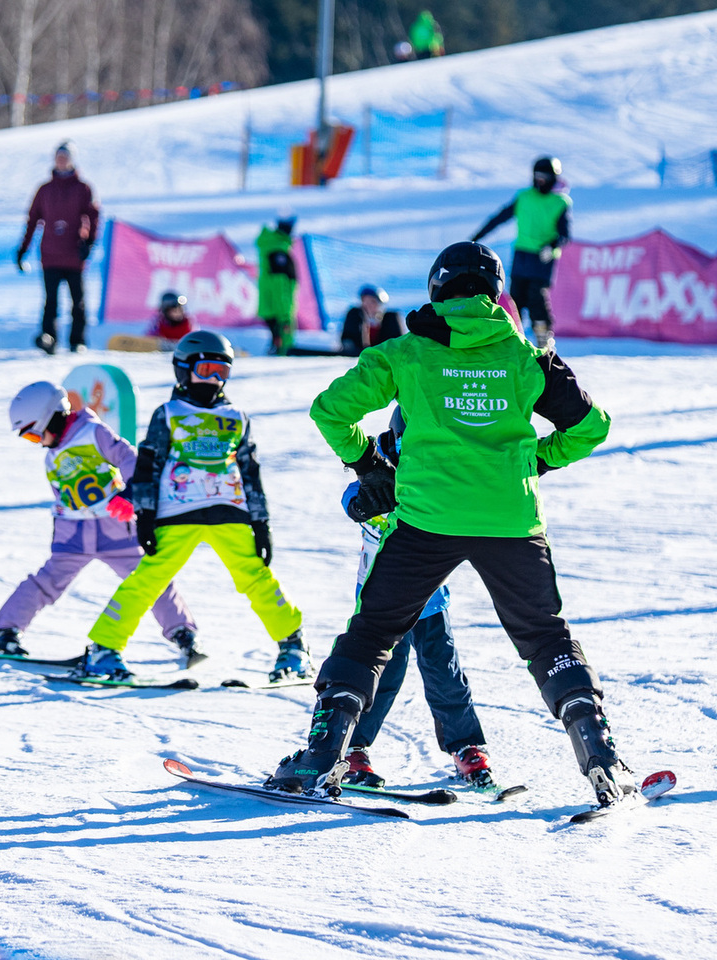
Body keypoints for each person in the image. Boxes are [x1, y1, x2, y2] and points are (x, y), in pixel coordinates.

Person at [267, 241, 635, 813]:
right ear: (497, 292)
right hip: (510, 523)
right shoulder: (527, 358)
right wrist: (531, 461)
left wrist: (371, 469)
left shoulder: (406, 353)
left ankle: (321, 757)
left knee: (372, 635)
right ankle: (602, 759)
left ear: (438, 289)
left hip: (425, 520)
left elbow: (329, 411)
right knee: (546, 639)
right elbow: (592, 426)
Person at [71, 331, 311, 682]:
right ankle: (104, 648)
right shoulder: (168, 413)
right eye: (207, 369)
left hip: (229, 511)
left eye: (223, 372)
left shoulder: (237, 417)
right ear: (183, 370)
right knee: (148, 580)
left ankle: (293, 647)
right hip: (175, 513)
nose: (214, 379)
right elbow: (149, 465)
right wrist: (145, 515)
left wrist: (261, 523)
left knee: (255, 577)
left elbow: (250, 472)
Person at [0, 382, 200, 665]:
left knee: (150, 579)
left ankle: (183, 634)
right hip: (73, 535)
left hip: (115, 528)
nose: (37, 442)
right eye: (29, 439)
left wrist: (130, 495)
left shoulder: (93, 432)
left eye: (33, 434)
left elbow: (131, 461)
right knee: (45, 582)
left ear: (52, 417)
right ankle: (2, 632)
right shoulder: (52, 454)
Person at [340, 409, 495, 790]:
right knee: (379, 674)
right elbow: (351, 495)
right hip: (379, 601)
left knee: (444, 673)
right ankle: (350, 747)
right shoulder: (377, 463)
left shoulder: (442, 471)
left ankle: (466, 748)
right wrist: (360, 503)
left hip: (429, 599)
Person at [471, 157, 571, 350]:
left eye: (545, 177)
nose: (541, 180)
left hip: (543, 257)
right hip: (522, 254)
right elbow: (500, 218)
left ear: (553, 178)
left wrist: (551, 246)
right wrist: (477, 237)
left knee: (536, 296)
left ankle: (544, 338)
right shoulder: (524, 197)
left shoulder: (560, 202)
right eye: (538, 176)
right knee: (516, 297)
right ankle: (512, 336)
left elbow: (565, 234)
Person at [17, 141, 99, 355]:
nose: (61, 160)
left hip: (74, 254)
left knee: (77, 301)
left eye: (65, 156)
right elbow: (32, 220)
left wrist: (88, 242)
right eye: (58, 156)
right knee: (50, 301)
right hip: (50, 254)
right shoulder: (45, 190)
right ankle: (49, 338)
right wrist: (22, 249)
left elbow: (93, 216)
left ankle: (77, 340)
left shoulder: (83, 188)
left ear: (72, 159)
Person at [255, 212, 297, 356]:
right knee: (282, 345)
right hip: (279, 308)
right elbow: (280, 285)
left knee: (276, 341)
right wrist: (284, 314)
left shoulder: (270, 244)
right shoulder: (278, 249)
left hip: (270, 305)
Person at [340, 285, 405, 357]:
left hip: (384, 354)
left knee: (391, 316)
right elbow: (348, 336)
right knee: (354, 312)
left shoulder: (389, 318)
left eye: (372, 302)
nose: (368, 305)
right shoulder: (355, 316)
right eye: (365, 301)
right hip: (358, 353)